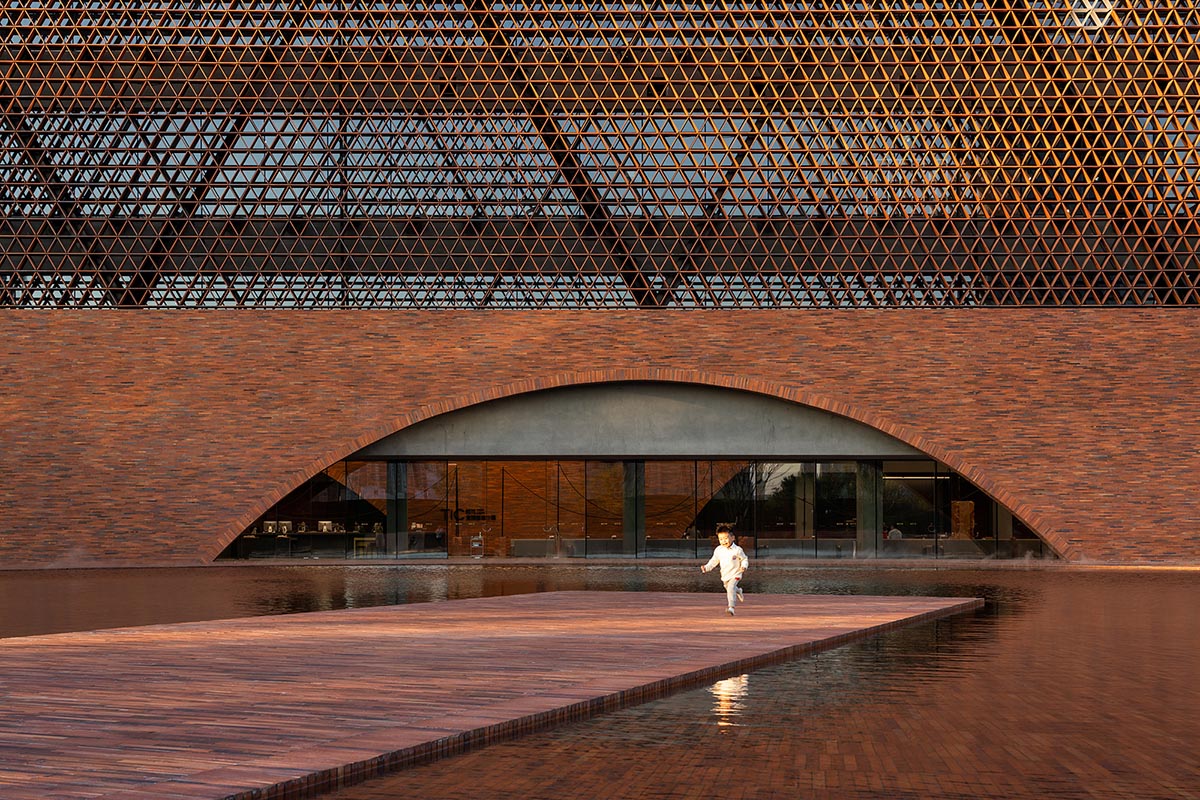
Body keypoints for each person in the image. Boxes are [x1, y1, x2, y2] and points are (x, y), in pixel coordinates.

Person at [701, 524, 749, 616]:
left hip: (736, 573)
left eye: (726, 538)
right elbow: (713, 561)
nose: (723, 541)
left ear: (732, 537)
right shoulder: (719, 550)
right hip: (725, 575)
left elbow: (744, 559)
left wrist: (744, 566)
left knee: (730, 588)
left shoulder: (737, 550)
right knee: (729, 588)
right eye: (721, 539)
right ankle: (738, 591)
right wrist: (706, 568)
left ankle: (731, 608)